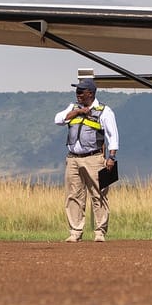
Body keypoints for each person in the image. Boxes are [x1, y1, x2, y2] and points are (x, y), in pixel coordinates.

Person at [53, 78, 119, 243]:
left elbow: (113, 135)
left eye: (81, 92)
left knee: (99, 195)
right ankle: (75, 231)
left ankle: (100, 231)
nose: (78, 95)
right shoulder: (72, 108)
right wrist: (77, 112)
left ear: (91, 93)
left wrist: (111, 157)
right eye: (77, 91)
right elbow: (58, 120)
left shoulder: (104, 111)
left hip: (94, 158)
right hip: (73, 159)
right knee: (73, 196)